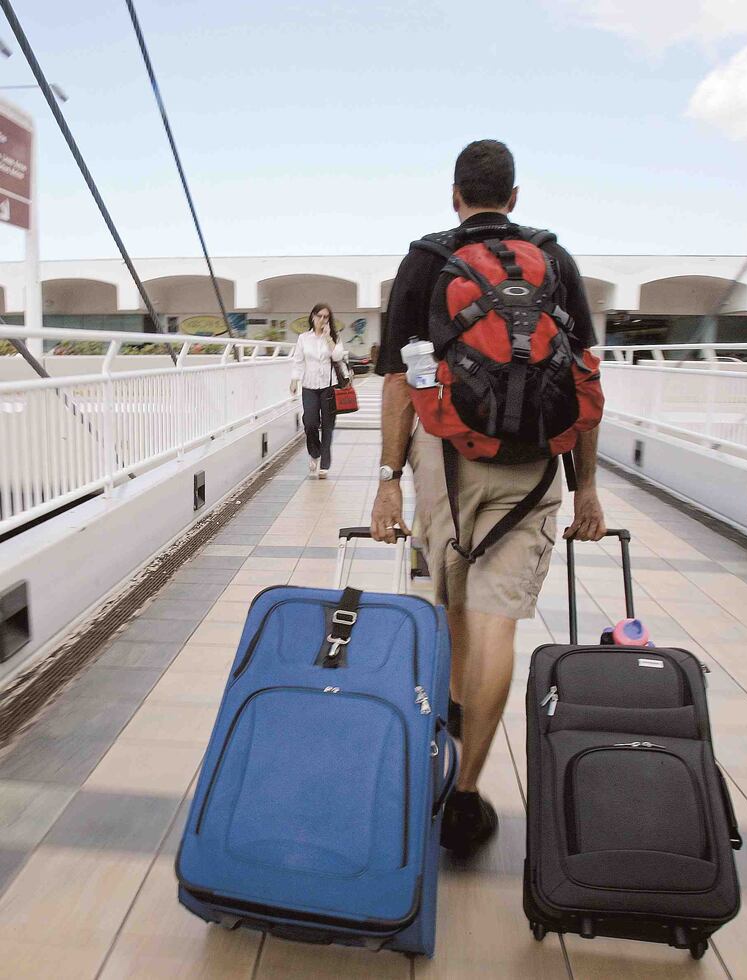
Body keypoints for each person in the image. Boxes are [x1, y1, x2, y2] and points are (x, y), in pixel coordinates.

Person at [371, 139, 606, 857]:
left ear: (455, 195)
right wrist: (587, 486)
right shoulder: (554, 260)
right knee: (497, 623)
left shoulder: (426, 260)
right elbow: (585, 379)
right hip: (534, 471)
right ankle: (467, 797)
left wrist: (387, 483)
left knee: (449, 609)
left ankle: (440, 737)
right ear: (513, 195)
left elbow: (394, 384)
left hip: (444, 460)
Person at [290, 302, 347, 478]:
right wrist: (294, 380)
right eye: (319, 316)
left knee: (328, 426)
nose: (322, 320)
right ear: (312, 317)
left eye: (326, 317)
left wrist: (328, 338)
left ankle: (324, 465)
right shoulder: (303, 338)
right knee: (311, 422)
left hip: (329, 386)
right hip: (309, 385)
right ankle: (314, 453)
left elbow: (338, 356)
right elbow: (298, 360)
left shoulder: (334, 337)